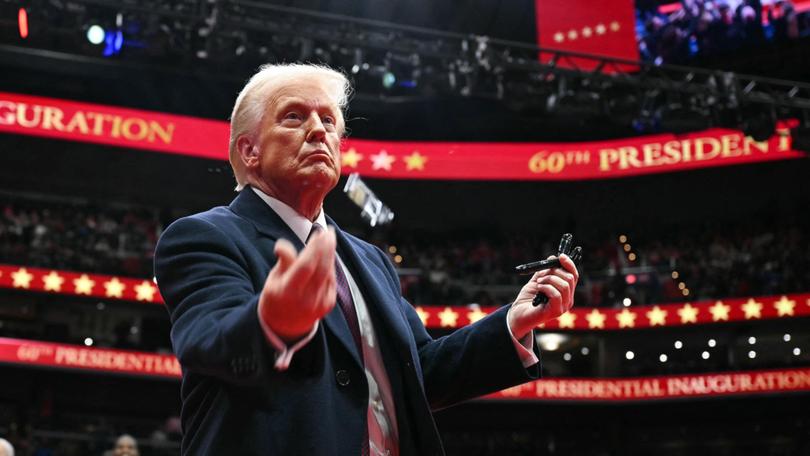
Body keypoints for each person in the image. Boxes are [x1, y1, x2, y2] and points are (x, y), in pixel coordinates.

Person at [154, 63, 579, 455]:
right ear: (249, 151)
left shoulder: (370, 259)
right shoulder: (204, 236)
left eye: (329, 121)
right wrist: (273, 322)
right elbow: (210, 343)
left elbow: (419, 375)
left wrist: (514, 321)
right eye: (294, 117)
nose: (319, 131)